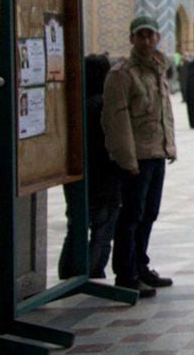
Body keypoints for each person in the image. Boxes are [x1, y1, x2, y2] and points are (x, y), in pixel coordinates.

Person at [102, 15, 177, 298]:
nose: (146, 41)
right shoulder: (122, 74)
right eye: (140, 36)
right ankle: (126, 274)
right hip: (137, 159)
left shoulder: (157, 69)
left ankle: (140, 265)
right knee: (131, 215)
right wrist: (127, 159)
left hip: (156, 153)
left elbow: (163, 113)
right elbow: (116, 121)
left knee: (149, 213)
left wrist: (170, 146)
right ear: (132, 39)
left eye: (150, 36)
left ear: (157, 38)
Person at [58, 53, 121, 280]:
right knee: (103, 226)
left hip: (76, 174)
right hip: (103, 177)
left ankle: (68, 268)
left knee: (76, 224)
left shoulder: (73, 103)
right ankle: (91, 269)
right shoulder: (103, 105)